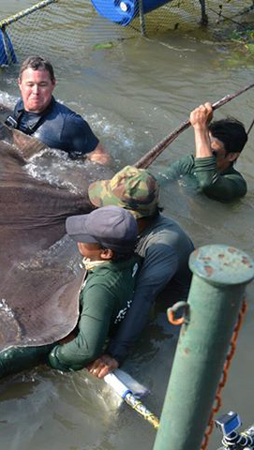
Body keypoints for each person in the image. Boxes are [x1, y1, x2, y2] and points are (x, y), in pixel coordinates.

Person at [86, 166, 195, 378]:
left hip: (172, 310)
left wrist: (115, 354)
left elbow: (144, 299)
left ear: (131, 216)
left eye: (109, 207)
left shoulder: (163, 246)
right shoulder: (133, 229)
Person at [47, 206, 140, 372]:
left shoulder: (100, 288)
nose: (79, 240)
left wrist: (55, 356)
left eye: (85, 238)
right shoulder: (133, 257)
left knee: (7, 358)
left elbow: (87, 349)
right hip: (107, 315)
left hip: (84, 336)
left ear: (105, 253)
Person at [0, 56, 111, 165]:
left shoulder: (69, 123)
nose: (35, 91)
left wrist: (72, 175)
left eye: (42, 84)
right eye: (30, 84)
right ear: (20, 84)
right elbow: (18, 118)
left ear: (53, 84)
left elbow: (102, 156)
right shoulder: (21, 105)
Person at [158, 103, 248, 203]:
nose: (203, 154)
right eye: (204, 146)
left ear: (232, 156)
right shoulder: (189, 163)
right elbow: (159, 182)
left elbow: (208, 183)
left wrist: (200, 128)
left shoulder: (237, 184)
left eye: (211, 152)